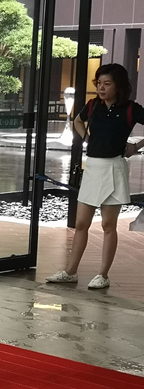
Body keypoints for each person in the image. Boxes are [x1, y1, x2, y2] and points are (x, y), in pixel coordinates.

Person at [47, 63, 144, 289]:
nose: (101, 88)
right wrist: (87, 139)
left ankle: (103, 274)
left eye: (106, 84)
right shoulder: (93, 105)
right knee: (81, 223)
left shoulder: (130, 108)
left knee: (108, 225)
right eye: (99, 83)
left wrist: (136, 147)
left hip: (114, 167)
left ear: (119, 86)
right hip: (93, 167)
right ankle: (71, 271)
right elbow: (77, 121)